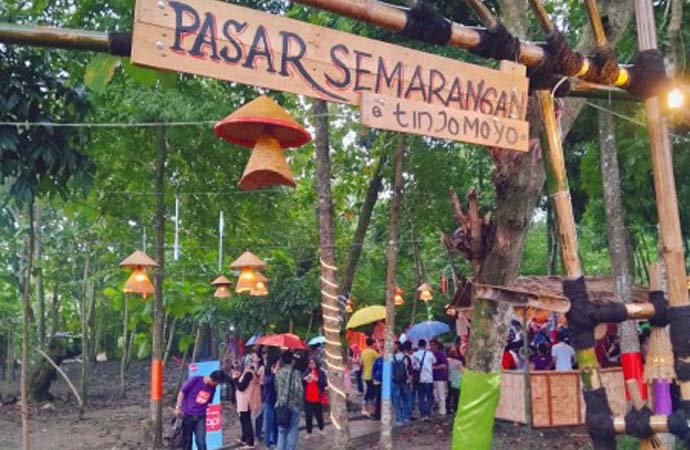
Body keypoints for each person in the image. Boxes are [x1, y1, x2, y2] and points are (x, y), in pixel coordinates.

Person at [175, 370, 225, 450]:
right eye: (216, 383)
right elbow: (182, 392)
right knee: (187, 442)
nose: (216, 385)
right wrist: (178, 407)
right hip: (187, 414)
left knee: (201, 442)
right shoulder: (195, 380)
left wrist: (219, 412)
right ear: (213, 380)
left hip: (201, 416)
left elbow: (209, 401)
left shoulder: (213, 387)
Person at [276, 351, 303, 450]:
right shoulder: (296, 373)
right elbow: (299, 390)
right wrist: (299, 404)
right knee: (292, 430)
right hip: (293, 405)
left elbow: (277, 388)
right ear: (292, 360)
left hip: (281, 405)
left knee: (281, 431)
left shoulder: (278, 373)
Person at [233, 356, 259, 449]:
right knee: (243, 419)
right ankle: (244, 438)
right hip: (243, 400)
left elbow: (241, 387)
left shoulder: (249, 373)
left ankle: (250, 442)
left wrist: (235, 379)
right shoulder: (246, 372)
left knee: (246, 420)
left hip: (246, 400)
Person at [303, 357, 327, 437]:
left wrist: (317, 379)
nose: (311, 365)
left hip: (318, 398)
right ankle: (309, 432)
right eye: (310, 363)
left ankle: (321, 429)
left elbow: (324, 383)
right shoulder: (307, 371)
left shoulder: (320, 372)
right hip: (308, 398)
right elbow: (302, 380)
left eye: (313, 363)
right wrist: (305, 379)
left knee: (319, 415)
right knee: (308, 416)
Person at [413, 339, 436, 421]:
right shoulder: (430, 354)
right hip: (429, 378)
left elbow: (414, 366)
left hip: (420, 378)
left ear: (418, 345)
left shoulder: (414, 354)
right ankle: (428, 414)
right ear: (426, 345)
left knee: (421, 397)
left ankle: (422, 415)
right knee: (429, 396)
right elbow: (433, 363)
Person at [392, 341, 413, 424]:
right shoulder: (407, 358)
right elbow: (410, 372)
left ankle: (399, 419)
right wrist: (411, 383)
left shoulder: (392, 358)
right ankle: (406, 417)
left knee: (396, 401)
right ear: (404, 350)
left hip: (395, 381)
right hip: (405, 381)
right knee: (407, 399)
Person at [260, 357, 278, 449]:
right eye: (274, 367)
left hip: (276, 402)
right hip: (269, 402)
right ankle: (267, 443)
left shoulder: (276, 376)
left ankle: (275, 441)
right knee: (268, 424)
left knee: (275, 423)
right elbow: (267, 382)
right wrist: (274, 374)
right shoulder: (267, 377)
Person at [360, 337, 380, 417]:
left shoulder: (363, 352)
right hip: (372, 375)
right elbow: (381, 358)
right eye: (374, 343)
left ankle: (366, 408)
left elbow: (361, 364)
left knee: (369, 391)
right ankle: (371, 410)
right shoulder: (373, 352)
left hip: (365, 375)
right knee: (372, 393)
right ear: (372, 344)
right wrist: (379, 348)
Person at [431, 340, 449, 416]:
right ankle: (439, 409)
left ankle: (442, 411)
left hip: (440, 377)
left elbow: (445, 365)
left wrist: (435, 367)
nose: (432, 347)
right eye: (431, 345)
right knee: (435, 395)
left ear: (437, 346)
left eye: (433, 345)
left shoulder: (441, 354)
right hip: (432, 377)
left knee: (441, 395)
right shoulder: (430, 354)